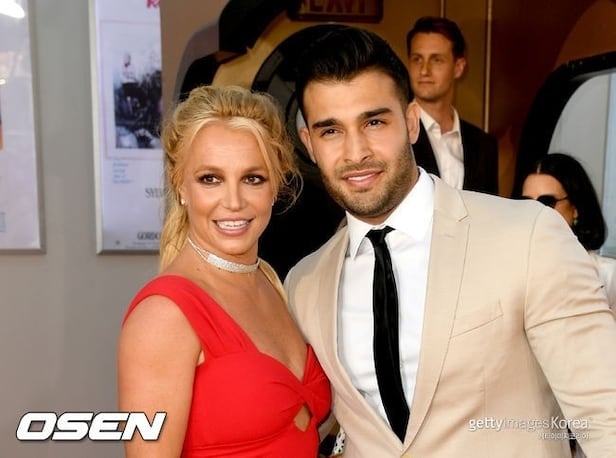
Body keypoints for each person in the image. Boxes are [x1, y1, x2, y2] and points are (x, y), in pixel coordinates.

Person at [285, 25, 616, 457]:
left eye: (374, 122)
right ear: (309, 144)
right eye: (331, 131)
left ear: (410, 122)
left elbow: (604, 414)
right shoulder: (304, 283)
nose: (356, 151)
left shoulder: (528, 236)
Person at [117, 85, 331, 457]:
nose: (233, 202)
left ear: (275, 185)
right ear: (179, 184)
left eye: (253, 178)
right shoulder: (163, 316)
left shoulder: (272, 283)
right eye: (210, 179)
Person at [405, 16, 499, 194]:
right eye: (417, 59)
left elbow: (490, 207)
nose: (424, 70)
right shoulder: (398, 134)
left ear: (459, 67)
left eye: (436, 60)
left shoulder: (484, 145)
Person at [520, 152, 616, 310]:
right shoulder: (510, 269)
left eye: (547, 201)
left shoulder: (609, 276)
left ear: (575, 208)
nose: (535, 210)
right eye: (526, 202)